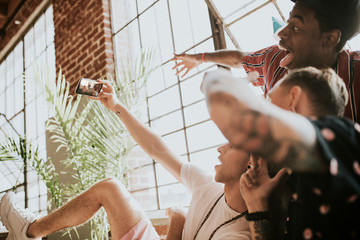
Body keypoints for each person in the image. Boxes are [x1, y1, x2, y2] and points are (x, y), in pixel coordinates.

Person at [0, 79, 252, 240]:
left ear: (252, 167)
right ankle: (29, 231)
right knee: (110, 188)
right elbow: (157, 149)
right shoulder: (207, 184)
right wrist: (117, 106)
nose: (220, 148)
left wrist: (178, 222)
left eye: (232, 146)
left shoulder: (237, 235)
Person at [201, 68, 360, 240]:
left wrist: (219, 81)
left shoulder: (343, 136)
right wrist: (258, 207)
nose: (265, 107)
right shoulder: (297, 184)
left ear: (294, 98)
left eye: (269, 99)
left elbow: (238, 122)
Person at [172, 0, 360, 123]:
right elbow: (240, 59)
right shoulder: (275, 60)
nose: (281, 34)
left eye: (295, 28)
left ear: (329, 39)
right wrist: (200, 58)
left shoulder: (357, 80)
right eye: (287, 23)